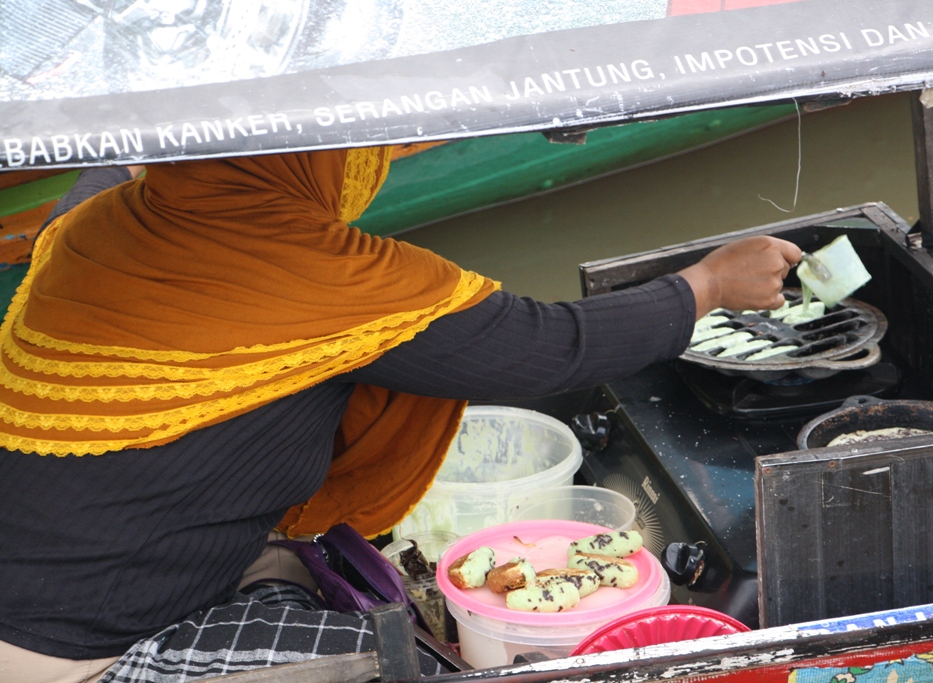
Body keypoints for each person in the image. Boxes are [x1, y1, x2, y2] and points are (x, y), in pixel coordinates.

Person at [0, 148, 801, 683]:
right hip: (74, 651)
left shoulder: (100, 219)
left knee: (298, 569)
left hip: (48, 582)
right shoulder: (307, 271)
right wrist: (708, 285)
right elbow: (548, 346)